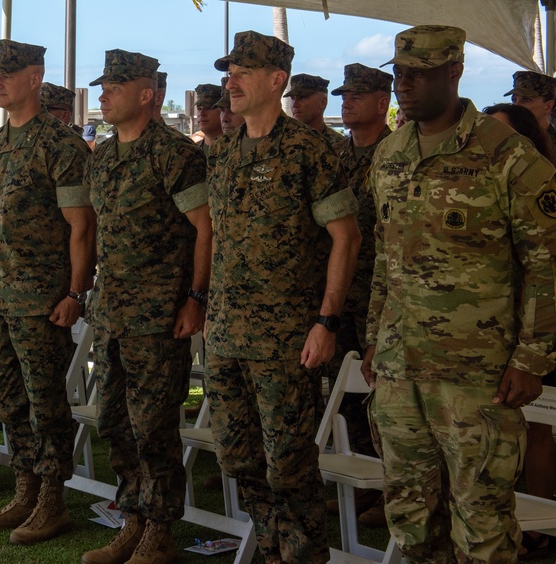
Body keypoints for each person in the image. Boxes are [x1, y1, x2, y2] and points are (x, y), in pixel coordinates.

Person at [364, 26, 556, 562]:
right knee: (412, 516)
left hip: (478, 377)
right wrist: (376, 338)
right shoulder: (391, 154)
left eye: (420, 73)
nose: (405, 84)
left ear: (455, 71)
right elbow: (385, 257)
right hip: (401, 370)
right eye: (400, 72)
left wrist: (532, 358)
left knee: (482, 521)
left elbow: (547, 264)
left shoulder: (507, 156)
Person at [206, 30, 361, 563]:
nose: (232, 82)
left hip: (288, 337)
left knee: (289, 461)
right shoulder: (223, 152)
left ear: (276, 80)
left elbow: (347, 236)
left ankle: (300, 555)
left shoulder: (310, 150)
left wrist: (326, 320)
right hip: (227, 332)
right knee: (236, 455)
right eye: (229, 72)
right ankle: (269, 543)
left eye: (242, 72)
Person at [81, 49, 211, 564]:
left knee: (154, 427)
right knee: (114, 422)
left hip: (159, 319)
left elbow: (207, 228)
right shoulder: (106, 155)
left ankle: (159, 529)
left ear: (147, 94)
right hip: (112, 315)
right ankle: (131, 519)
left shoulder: (175, 155)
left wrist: (196, 298)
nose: (103, 95)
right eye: (102, 86)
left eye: (115, 86)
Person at [0, 39, 95, 546]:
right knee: (6, 399)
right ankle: (24, 489)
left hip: (41, 301)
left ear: (35, 78)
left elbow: (81, 228)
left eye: (8, 73)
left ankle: (52, 499)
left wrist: (74, 291)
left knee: (46, 403)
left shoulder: (59, 144)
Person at [322, 62, 395, 525]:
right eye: (344, 95)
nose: (345, 102)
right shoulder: (334, 156)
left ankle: (394, 489)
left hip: (382, 299)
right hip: (341, 295)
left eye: (357, 95)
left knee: (383, 399)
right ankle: (363, 485)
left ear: (383, 102)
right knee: (346, 397)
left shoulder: (396, 154)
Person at [483, 102, 556, 560]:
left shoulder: (542, 181)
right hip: (494, 326)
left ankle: (543, 522)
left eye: (497, 131)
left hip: (539, 325)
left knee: (540, 426)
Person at [286, 73, 343, 148]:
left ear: (322, 102)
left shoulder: (339, 145)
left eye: (302, 97)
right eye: (292, 98)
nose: (295, 105)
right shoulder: (281, 141)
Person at [506, 70, 556, 148]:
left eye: (526, 100)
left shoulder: (551, 144)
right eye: (514, 99)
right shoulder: (507, 139)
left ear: (548, 106)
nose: (516, 105)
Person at [192, 83, 224, 154]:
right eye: (199, 108)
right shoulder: (191, 151)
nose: (202, 113)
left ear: (223, 110)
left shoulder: (233, 150)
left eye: (209, 108)